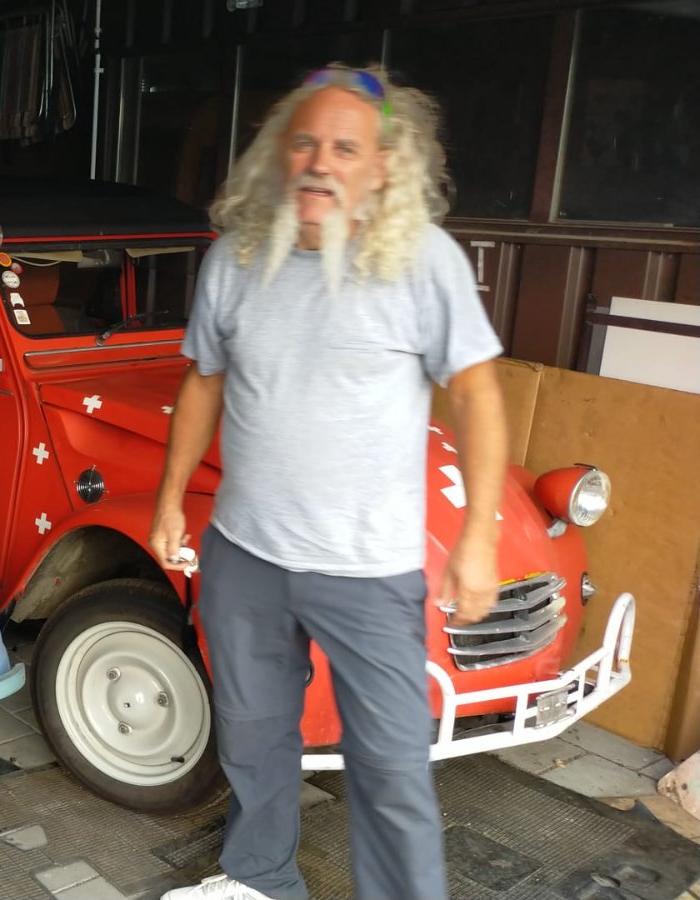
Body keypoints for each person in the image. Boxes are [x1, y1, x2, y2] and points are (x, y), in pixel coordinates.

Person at [148, 64, 507, 900]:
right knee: (252, 738)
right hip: (245, 555)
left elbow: (478, 394)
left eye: (345, 148)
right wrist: (169, 500)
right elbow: (203, 380)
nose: (319, 162)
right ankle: (260, 878)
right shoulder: (237, 258)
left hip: (368, 572)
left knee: (391, 766)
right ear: (279, 154)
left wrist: (480, 537)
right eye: (304, 142)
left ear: (382, 166)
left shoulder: (423, 262)